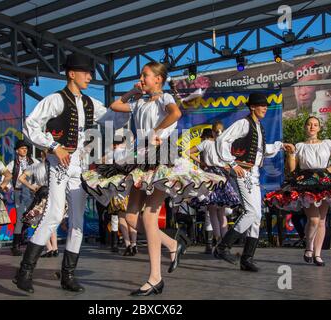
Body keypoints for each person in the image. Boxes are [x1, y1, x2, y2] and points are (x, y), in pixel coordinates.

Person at [82, 61, 226, 295]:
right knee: (130, 216)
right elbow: (115, 105)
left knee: (149, 217)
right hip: (139, 157)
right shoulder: (138, 101)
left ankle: (155, 277)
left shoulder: (164, 98)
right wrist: (132, 92)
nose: (142, 78)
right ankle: (172, 243)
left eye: (146, 75)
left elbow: (176, 112)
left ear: (158, 79)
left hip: (161, 157)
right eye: (141, 75)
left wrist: (157, 132)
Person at [15, 52, 129, 294]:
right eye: (86, 72)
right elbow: (30, 124)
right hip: (59, 165)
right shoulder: (55, 100)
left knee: (77, 222)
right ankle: (24, 271)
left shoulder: (89, 103)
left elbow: (114, 120)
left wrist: (131, 99)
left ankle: (68, 275)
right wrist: (54, 146)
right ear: (72, 73)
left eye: (90, 73)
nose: (89, 76)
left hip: (80, 167)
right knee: (54, 215)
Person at [213, 92, 294, 272]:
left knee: (256, 216)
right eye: (261, 105)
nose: (265, 107)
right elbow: (221, 141)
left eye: (265, 105)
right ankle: (222, 247)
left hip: (254, 174)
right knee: (250, 212)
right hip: (244, 173)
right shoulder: (244, 123)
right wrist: (233, 164)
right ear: (252, 107)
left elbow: (261, 151)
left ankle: (247, 258)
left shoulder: (258, 127)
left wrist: (281, 146)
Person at [266, 116, 331, 266]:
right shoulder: (299, 145)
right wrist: (290, 154)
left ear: (319, 128)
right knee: (314, 219)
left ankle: (317, 254)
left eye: (315, 125)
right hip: (307, 181)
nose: (312, 127)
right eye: (309, 124)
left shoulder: (327, 143)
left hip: (325, 181)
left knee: (322, 220)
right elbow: (292, 168)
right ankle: (308, 247)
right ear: (305, 127)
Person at [186, 123, 241, 253]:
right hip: (222, 175)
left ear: (212, 131)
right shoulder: (224, 144)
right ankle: (224, 245)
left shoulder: (206, 143)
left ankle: (217, 242)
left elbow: (188, 152)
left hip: (210, 175)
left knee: (212, 211)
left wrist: (202, 163)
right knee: (222, 213)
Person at [6, 140, 39, 256]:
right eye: (22, 148)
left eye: (26, 148)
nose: (24, 150)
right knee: (20, 218)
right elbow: (6, 176)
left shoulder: (34, 162)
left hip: (31, 192)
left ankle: (23, 237)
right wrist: (9, 187)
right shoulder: (13, 163)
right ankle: (15, 246)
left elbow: (41, 173)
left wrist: (37, 186)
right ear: (17, 150)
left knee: (33, 216)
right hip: (19, 192)